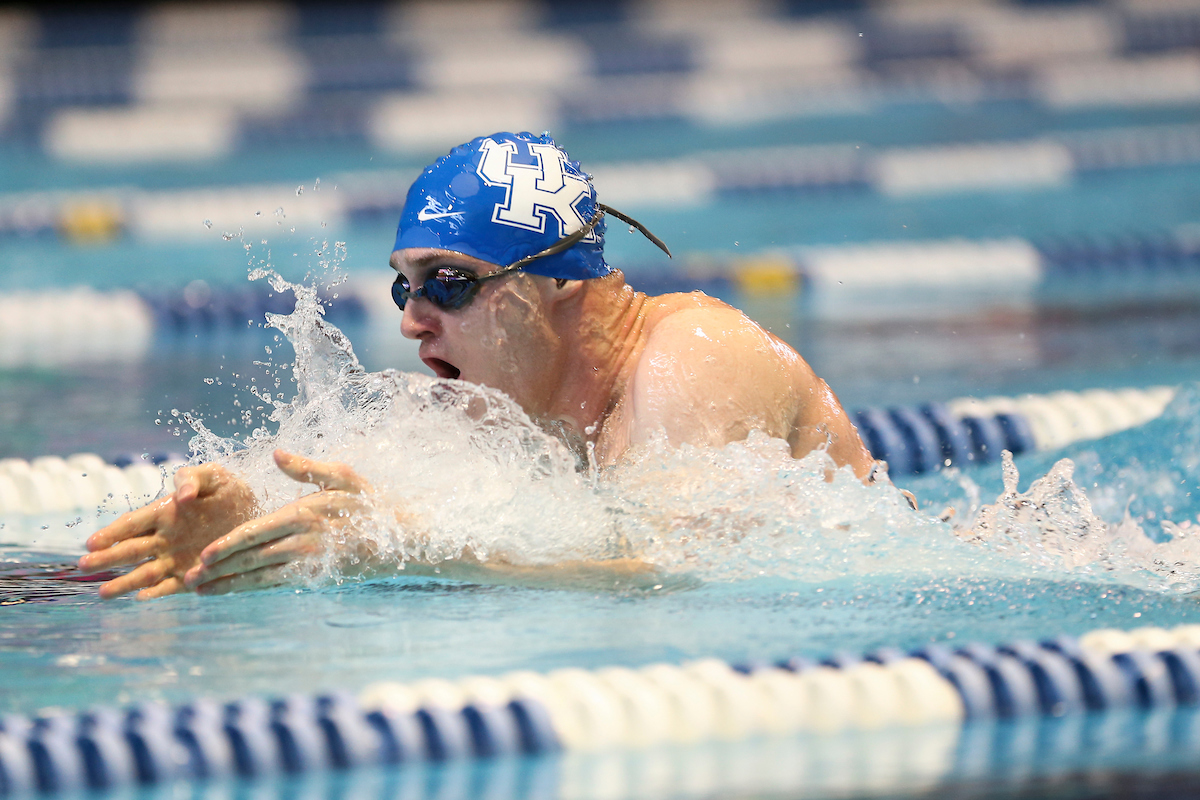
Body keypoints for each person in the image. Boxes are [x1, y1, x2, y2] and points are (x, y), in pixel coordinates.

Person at [79, 132, 875, 600]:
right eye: (405, 284)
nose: (409, 319)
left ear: (558, 282)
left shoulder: (697, 357)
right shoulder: (506, 404)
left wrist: (415, 546)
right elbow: (365, 506)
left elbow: (682, 578)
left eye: (447, 284)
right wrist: (241, 524)